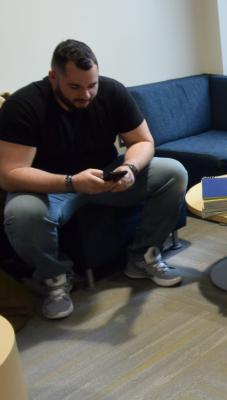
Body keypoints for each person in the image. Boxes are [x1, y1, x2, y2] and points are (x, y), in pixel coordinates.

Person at [0, 39, 188, 320]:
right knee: (21, 212)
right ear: (54, 77)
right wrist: (71, 182)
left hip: (108, 174)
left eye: (92, 85)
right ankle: (56, 279)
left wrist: (130, 168)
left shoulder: (112, 91)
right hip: (53, 185)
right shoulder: (23, 106)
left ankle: (143, 257)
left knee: (173, 172)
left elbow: (144, 141)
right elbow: (10, 175)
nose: (86, 95)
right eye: (75, 87)